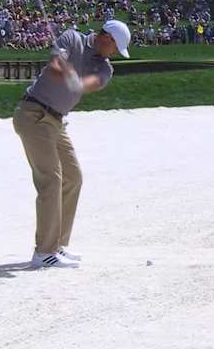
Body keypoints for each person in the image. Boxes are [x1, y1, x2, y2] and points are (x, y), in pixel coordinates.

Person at [13, 19, 131, 269]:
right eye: (115, 48)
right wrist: (62, 67)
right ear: (107, 39)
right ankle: (44, 252)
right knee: (51, 178)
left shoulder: (106, 68)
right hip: (33, 114)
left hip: (56, 122)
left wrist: (78, 81)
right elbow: (55, 67)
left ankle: (57, 245)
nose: (114, 54)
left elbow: (91, 84)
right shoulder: (71, 38)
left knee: (73, 177)